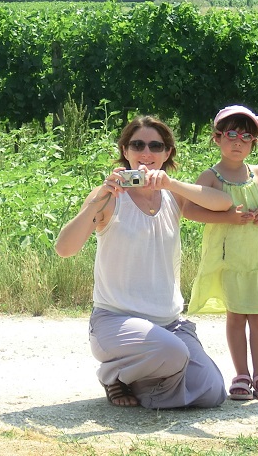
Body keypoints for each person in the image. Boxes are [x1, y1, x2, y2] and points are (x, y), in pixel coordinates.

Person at [55, 115, 233, 409]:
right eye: (137, 145)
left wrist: (172, 183)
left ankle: (138, 382)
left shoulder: (173, 196)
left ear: (167, 153)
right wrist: (99, 197)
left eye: (155, 146)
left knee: (212, 392)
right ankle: (113, 374)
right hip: (115, 321)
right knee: (173, 353)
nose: (146, 153)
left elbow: (223, 203)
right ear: (125, 151)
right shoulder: (109, 198)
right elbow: (65, 248)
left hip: (169, 323)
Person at [186, 105, 258, 401]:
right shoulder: (211, 176)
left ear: (254, 142)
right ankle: (241, 374)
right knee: (236, 316)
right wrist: (227, 217)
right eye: (231, 135)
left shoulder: (256, 173)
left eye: (246, 136)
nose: (238, 142)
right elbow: (189, 210)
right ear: (217, 138)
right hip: (229, 260)